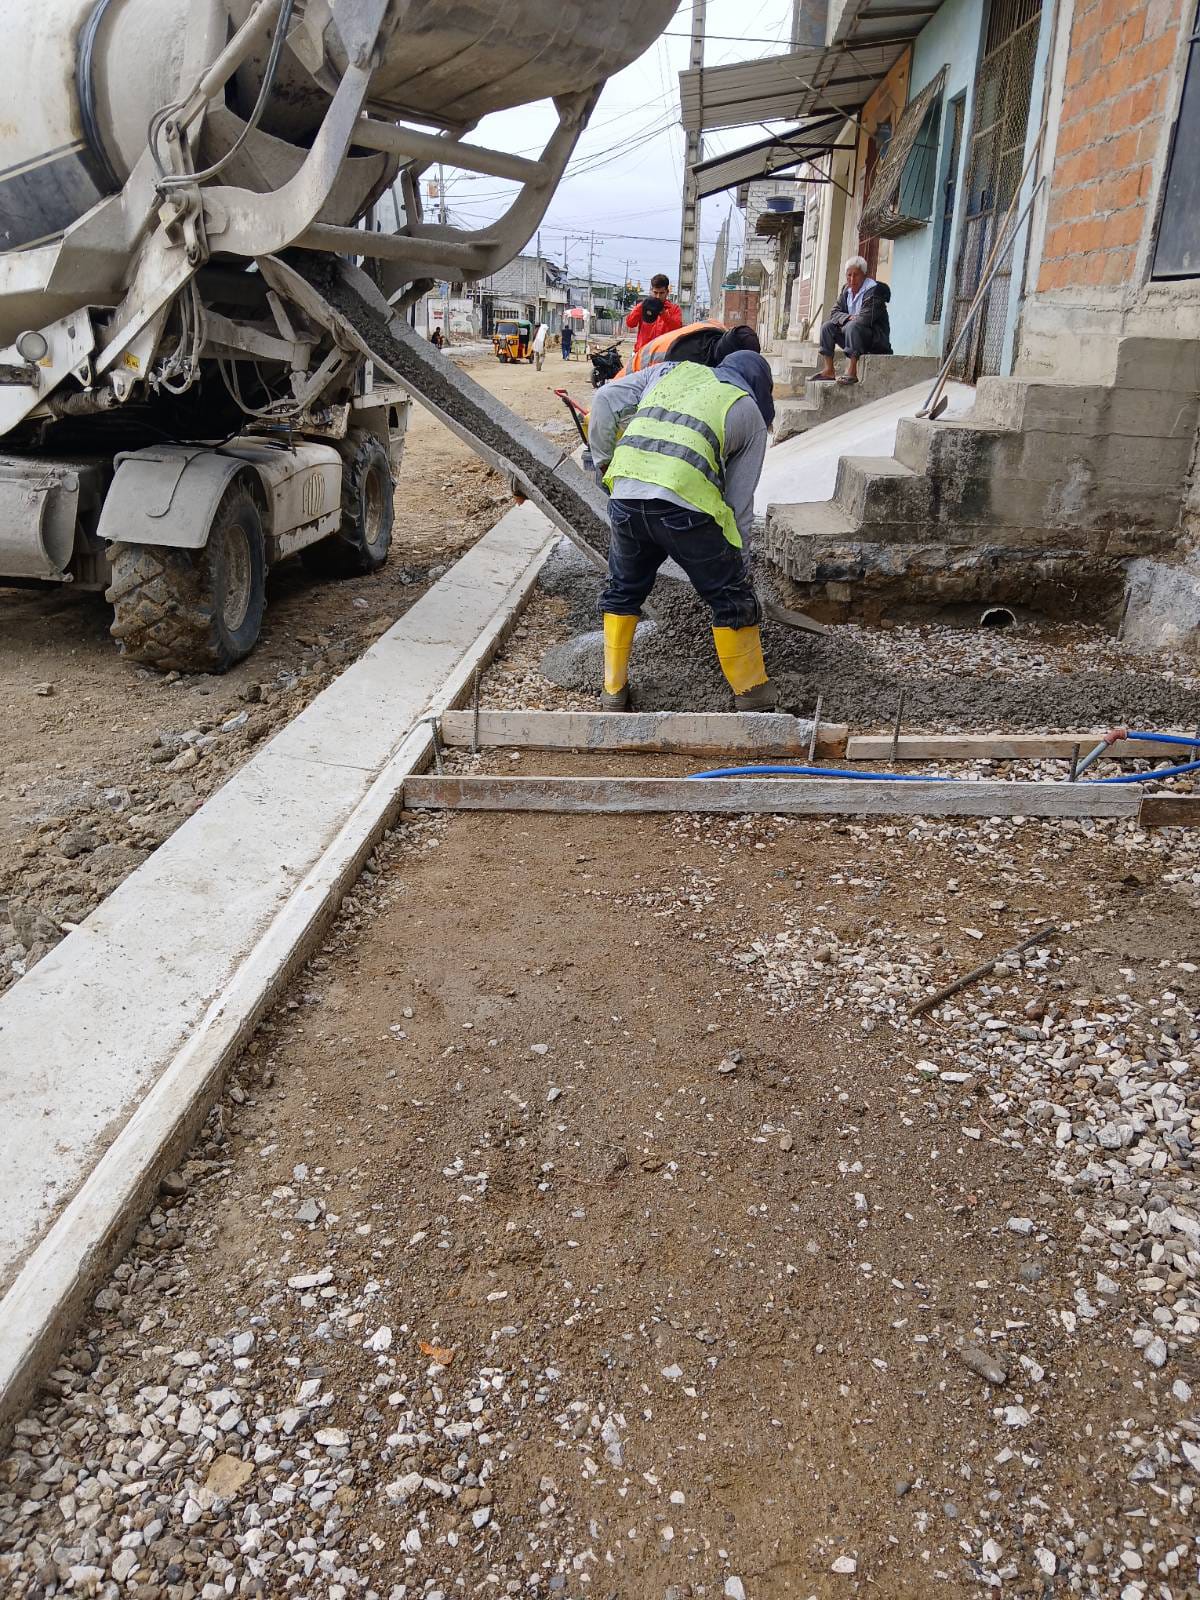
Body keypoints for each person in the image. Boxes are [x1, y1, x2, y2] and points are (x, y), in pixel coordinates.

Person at [587, 351, 776, 713]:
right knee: (729, 598)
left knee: (623, 590)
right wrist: (739, 570)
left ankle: (613, 691)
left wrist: (604, 463)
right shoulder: (748, 411)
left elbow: (605, 397)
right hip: (685, 505)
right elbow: (738, 507)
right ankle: (752, 693)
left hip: (626, 495)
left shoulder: (668, 371)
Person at [814, 255, 892, 384]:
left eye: (856, 275)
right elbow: (834, 313)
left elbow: (864, 320)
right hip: (854, 336)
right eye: (849, 275)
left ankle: (852, 370)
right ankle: (829, 370)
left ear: (864, 275)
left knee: (853, 326)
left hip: (875, 341)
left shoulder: (875, 291)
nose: (852, 279)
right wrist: (849, 317)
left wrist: (845, 322)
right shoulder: (846, 290)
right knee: (827, 326)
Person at [625, 273, 684, 355]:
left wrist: (663, 313)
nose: (658, 296)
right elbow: (630, 323)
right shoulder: (643, 306)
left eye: (661, 293)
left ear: (667, 292)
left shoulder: (674, 309)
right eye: (655, 293)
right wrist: (641, 306)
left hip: (663, 354)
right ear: (651, 291)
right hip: (642, 353)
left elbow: (677, 328)